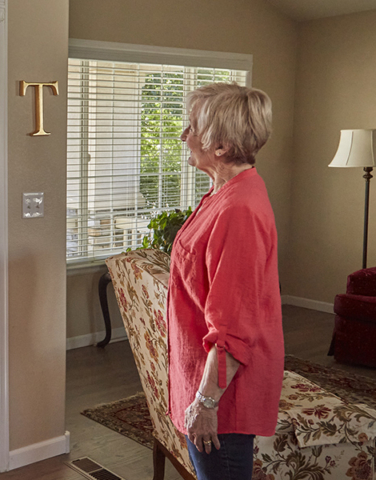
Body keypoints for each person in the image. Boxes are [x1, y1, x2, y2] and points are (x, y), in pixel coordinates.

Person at [168, 83, 284, 480]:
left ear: (219, 146)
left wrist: (205, 403)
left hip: (224, 398)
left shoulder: (239, 210)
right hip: (203, 377)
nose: (183, 136)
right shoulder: (222, 191)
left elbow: (233, 328)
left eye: (192, 127)